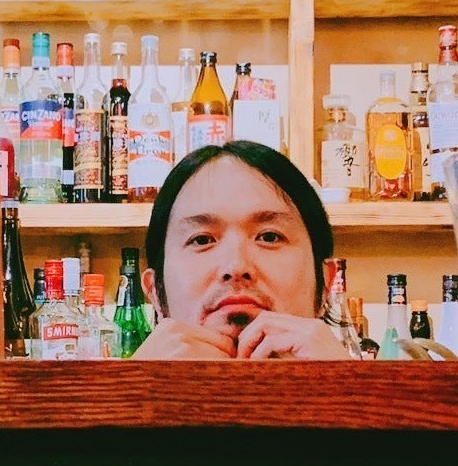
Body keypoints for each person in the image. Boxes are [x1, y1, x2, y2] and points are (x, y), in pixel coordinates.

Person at [132, 141, 349, 360]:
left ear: (325, 284)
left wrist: (347, 377)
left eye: (269, 237)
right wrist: (135, 378)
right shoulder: (129, 383)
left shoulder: (358, 383)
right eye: (202, 240)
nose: (236, 266)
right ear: (155, 292)